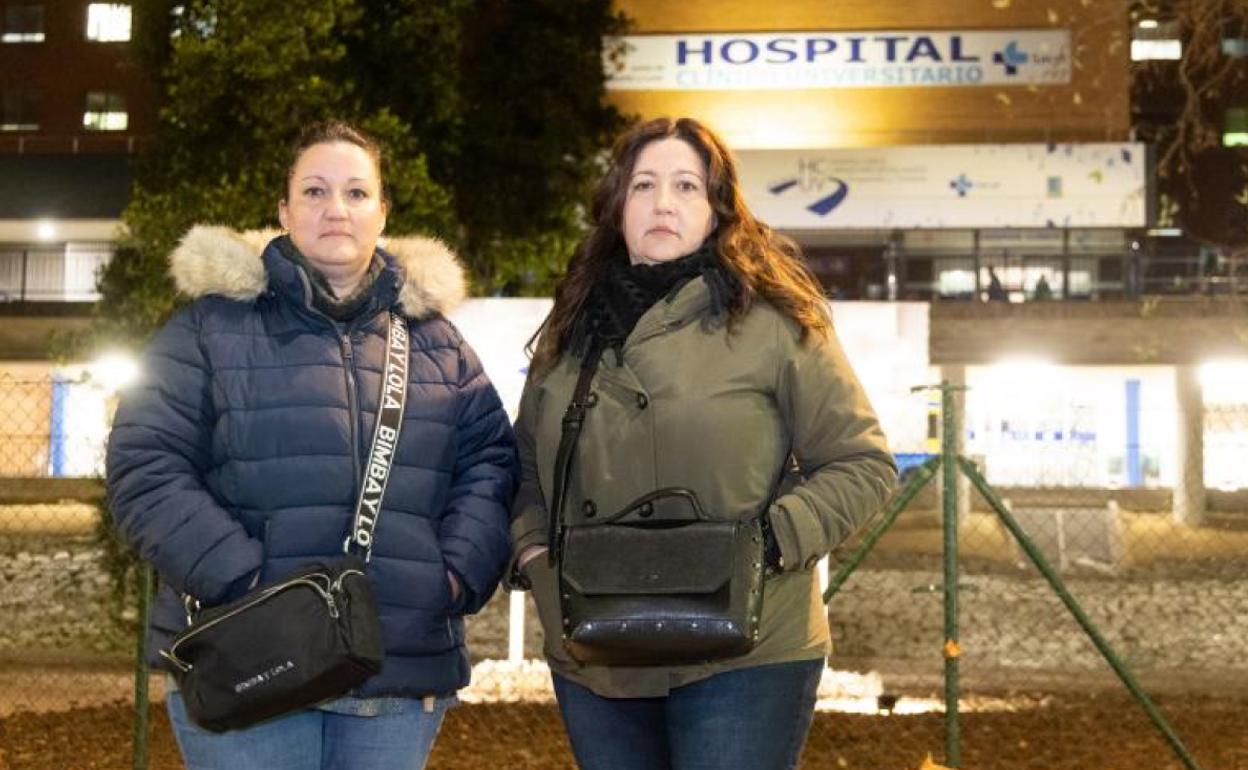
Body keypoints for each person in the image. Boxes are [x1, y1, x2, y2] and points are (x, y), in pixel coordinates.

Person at [105, 121, 517, 770]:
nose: (336, 209)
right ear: (285, 211)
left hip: (396, 664)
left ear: (382, 213)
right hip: (251, 653)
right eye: (315, 191)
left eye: (356, 193)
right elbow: (144, 466)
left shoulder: (436, 343)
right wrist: (240, 578)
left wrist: (453, 575)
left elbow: (490, 462)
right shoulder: (209, 328)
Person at [507, 117, 896, 770]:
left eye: (686, 186)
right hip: (595, 650)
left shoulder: (776, 321)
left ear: (718, 208)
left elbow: (861, 463)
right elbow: (526, 470)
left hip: (747, 651)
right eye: (644, 185)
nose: (663, 203)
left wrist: (767, 544)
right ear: (617, 205)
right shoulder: (570, 330)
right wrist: (536, 555)